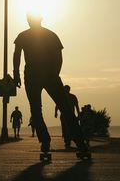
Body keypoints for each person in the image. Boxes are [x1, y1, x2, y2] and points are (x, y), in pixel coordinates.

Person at [12, 12, 89, 156]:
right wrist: (54, 73)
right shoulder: (49, 35)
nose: (29, 22)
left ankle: (51, 141)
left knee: (40, 110)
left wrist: (16, 73)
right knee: (62, 109)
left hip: (38, 76)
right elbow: (58, 57)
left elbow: (17, 55)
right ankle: (78, 143)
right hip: (45, 76)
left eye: (30, 20)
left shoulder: (27, 35)